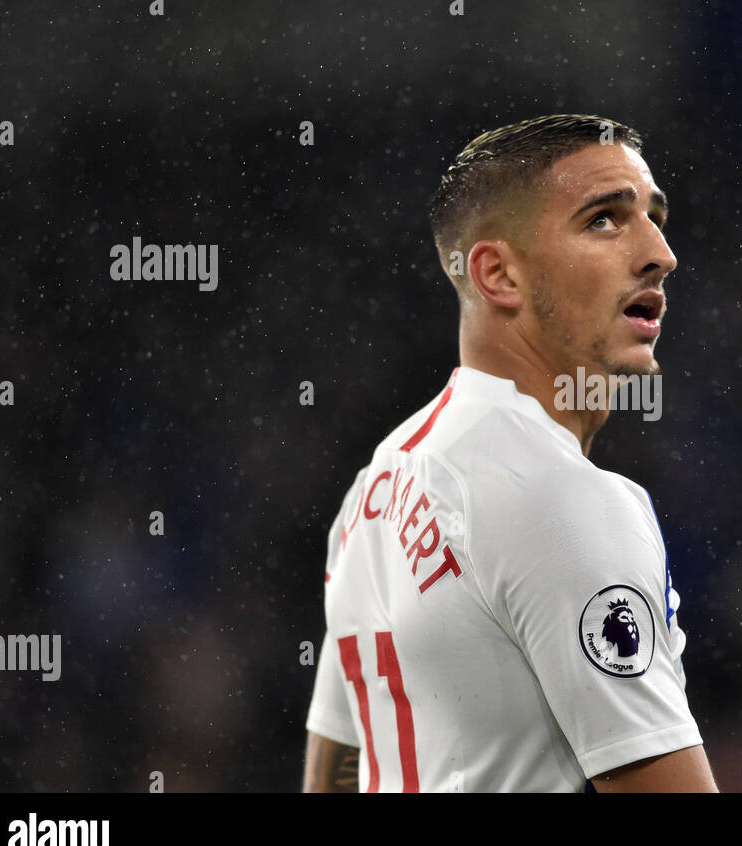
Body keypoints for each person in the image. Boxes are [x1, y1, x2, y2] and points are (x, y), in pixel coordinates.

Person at [302, 113, 717, 793]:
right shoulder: (559, 499)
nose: (660, 253)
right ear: (498, 274)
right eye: (605, 220)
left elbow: (337, 771)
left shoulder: (377, 481)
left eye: (654, 216)